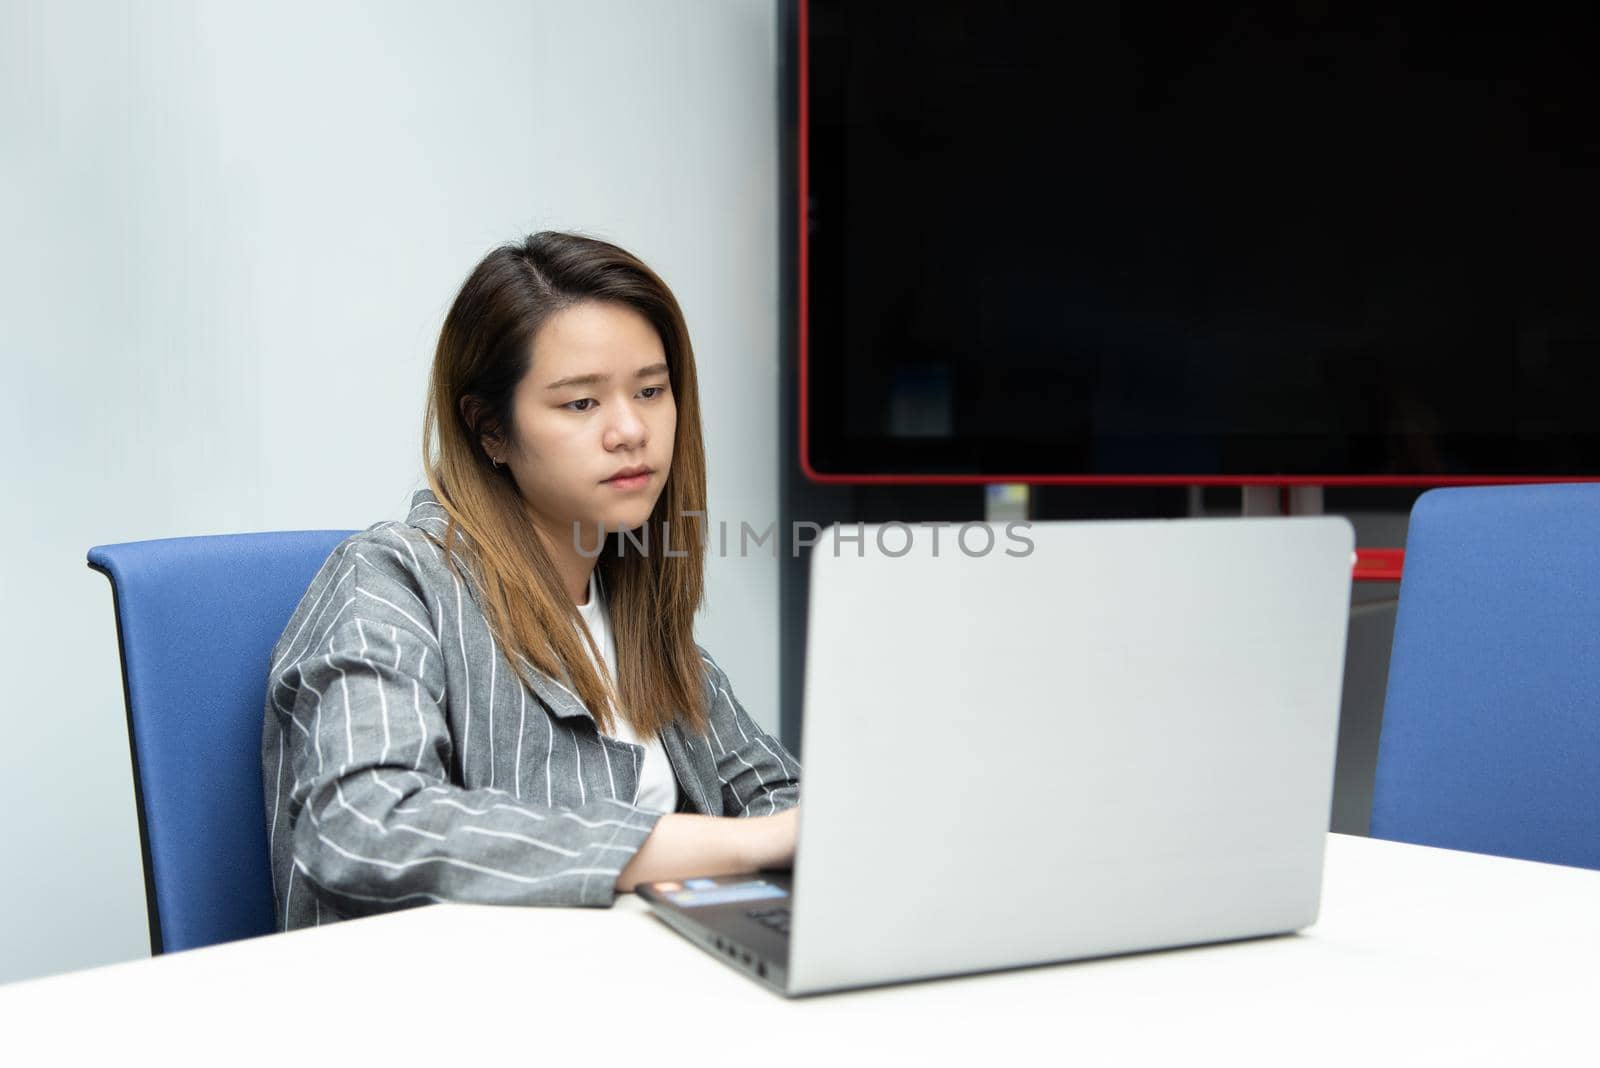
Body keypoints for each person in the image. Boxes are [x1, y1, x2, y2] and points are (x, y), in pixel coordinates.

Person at [261, 232, 800, 930]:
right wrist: (724, 846)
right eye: (581, 404)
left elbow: (781, 802)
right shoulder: (392, 579)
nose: (631, 429)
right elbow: (364, 826)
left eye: (652, 390)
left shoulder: (636, 611)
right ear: (490, 430)